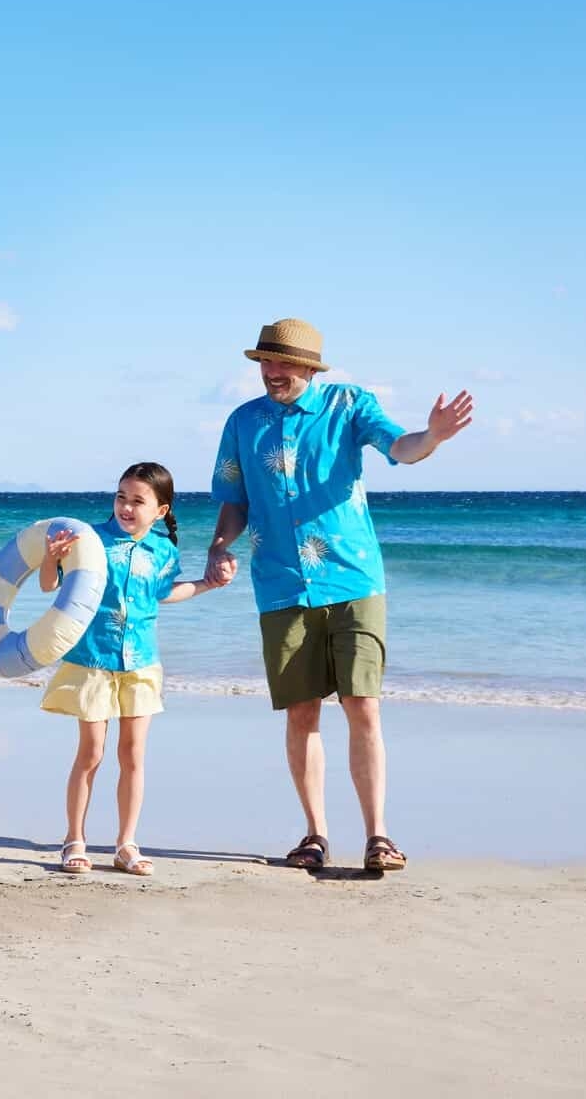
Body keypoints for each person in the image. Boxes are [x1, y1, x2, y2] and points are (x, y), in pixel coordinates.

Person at [206, 319, 474, 872]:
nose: (271, 373)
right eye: (265, 362)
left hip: (353, 581)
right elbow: (234, 499)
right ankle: (315, 835)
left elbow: (400, 447)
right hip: (280, 583)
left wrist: (435, 437)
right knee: (302, 714)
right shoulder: (243, 422)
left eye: (281, 363)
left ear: (309, 367)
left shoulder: (349, 405)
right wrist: (217, 546)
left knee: (363, 708)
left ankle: (378, 836)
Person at [37, 462, 231, 877]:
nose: (126, 507)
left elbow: (164, 594)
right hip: (91, 660)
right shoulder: (88, 539)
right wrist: (50, 559)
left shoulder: (164, 550)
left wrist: (208, 584)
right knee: (90, 754)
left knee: (133, 756)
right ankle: (75, 840)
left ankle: (126, 844)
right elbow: (49, 586)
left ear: (160, 510)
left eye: (138, 501)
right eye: (121, 497)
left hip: (141, 663)